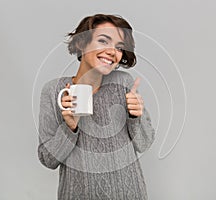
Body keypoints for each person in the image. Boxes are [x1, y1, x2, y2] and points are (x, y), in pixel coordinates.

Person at [38, 14, 155, 200]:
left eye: (119, 47)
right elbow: (48, 159)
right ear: (81, 43)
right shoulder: (54, 91)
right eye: (103, 41)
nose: (112, 51)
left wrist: (136, 117)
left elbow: (145, 142)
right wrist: (69, 127)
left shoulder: (123, 83)